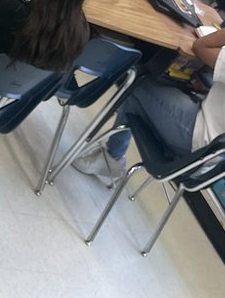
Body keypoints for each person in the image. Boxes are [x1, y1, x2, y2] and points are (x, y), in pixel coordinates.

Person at [75, 28, 225, 185]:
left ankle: (112, 157)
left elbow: (201, 47)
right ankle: (112, 157)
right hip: (211, 154)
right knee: (138, 95)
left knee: (135, 75)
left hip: (197, 142)